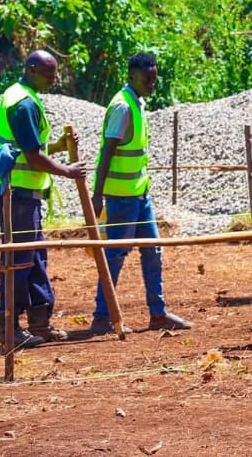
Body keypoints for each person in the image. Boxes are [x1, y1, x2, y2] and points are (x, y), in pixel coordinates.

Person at [0, 50, 86, 348]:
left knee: (35, 256)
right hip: (15, 192)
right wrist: (68, 171)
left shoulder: (26, 96)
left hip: (25, 192)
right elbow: (32, 157)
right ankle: (10, 328)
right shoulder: (23, 103)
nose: (52, 80)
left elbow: (30, 147)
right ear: (31, 69)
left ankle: (40, 322)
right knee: (19, 259)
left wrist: (56, 147)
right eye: (48, 74)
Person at [89, 53, 191, 335]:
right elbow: (107, 152)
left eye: (154, 78)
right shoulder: (122, 107)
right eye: (147, 78)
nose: (152, 83)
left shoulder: (137, 103)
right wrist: (97, 195)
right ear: (132, 76)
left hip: (140, 193)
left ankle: (158, 314)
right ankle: (102, 316)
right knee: (115, 254)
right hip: (122, 197)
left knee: (152, 249)